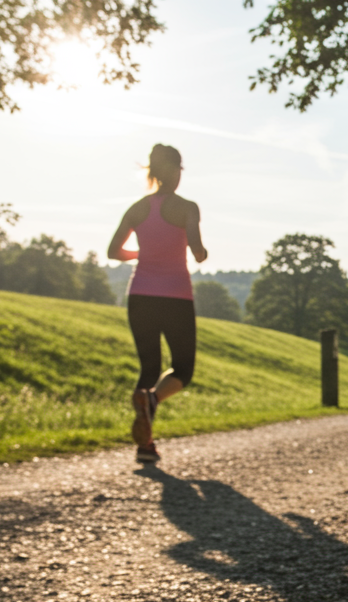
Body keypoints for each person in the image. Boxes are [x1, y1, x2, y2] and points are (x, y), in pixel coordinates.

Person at [107, 143, 209, 463]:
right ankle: (152, 402)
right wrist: (199, 251)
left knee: (149, 366)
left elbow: (113, 251)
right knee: (183, 368)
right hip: (176, 296)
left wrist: (144, 253)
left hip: (140, 295)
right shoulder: (188, 207)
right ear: (176, 172)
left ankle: (144, 446)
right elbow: (198, 251)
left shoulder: (137, 208)